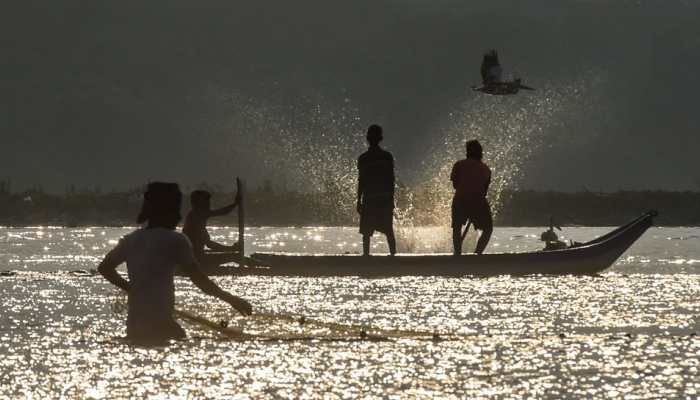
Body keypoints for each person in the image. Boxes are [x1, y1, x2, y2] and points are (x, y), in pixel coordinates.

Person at [97, 182, 252, 345]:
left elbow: (104, 268)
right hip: (161, 325)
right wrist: (232, 299)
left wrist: (131, 288)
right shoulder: (176, 240)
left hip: (134, 327)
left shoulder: (130, 240)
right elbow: (199, 280)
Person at [357, 124, 396, 256]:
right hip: (384, 199)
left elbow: (361, 181)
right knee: (389, 231)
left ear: (367, 138)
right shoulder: (387, 157)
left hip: (369, 199)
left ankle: (366, 258)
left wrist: (358, 201)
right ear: (381, 138)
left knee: (366, 233)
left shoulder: (363, 158)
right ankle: (393, 257)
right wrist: (391, 198)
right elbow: (391, 179)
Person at [450, 140, 493, 255]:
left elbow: (455, 185)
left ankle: (457, 254)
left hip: (460, 199)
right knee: (488, 229)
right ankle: (477, 254)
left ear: (467, 152)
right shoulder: (486, 169)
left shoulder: (458, 165)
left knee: (457, 228)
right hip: (478, 200)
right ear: (480, 152)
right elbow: (485, 190)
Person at [182, 190, 241, 261]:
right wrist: (232, 249)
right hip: (196, 260)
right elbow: (210, 245)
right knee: (235, 257)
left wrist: (231, 249)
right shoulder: (196, 217)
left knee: (235, 256)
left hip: (197, 257)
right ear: (197, 205)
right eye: (206, 203)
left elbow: (222, 212)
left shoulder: (196, 216)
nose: (209, 205)